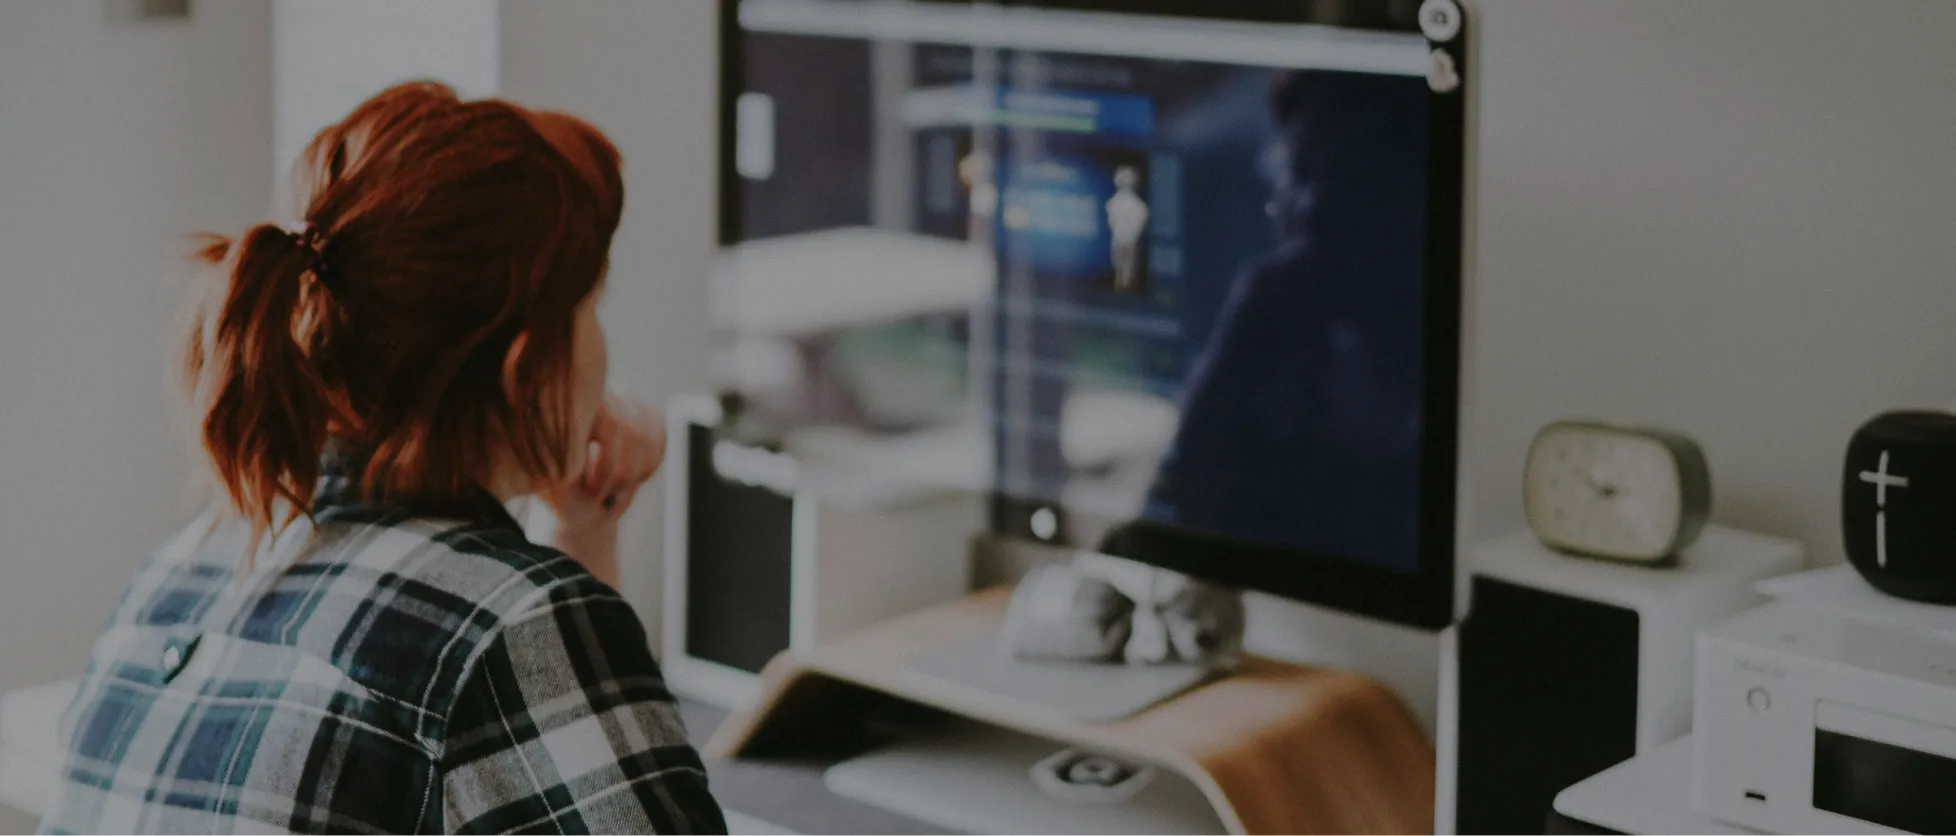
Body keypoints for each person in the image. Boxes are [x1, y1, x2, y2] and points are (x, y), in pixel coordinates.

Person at [37, 82, 728, 836]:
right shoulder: (509, 623)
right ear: (527, 369)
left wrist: (581, 526)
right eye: (592, 305)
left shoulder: (175, 576)